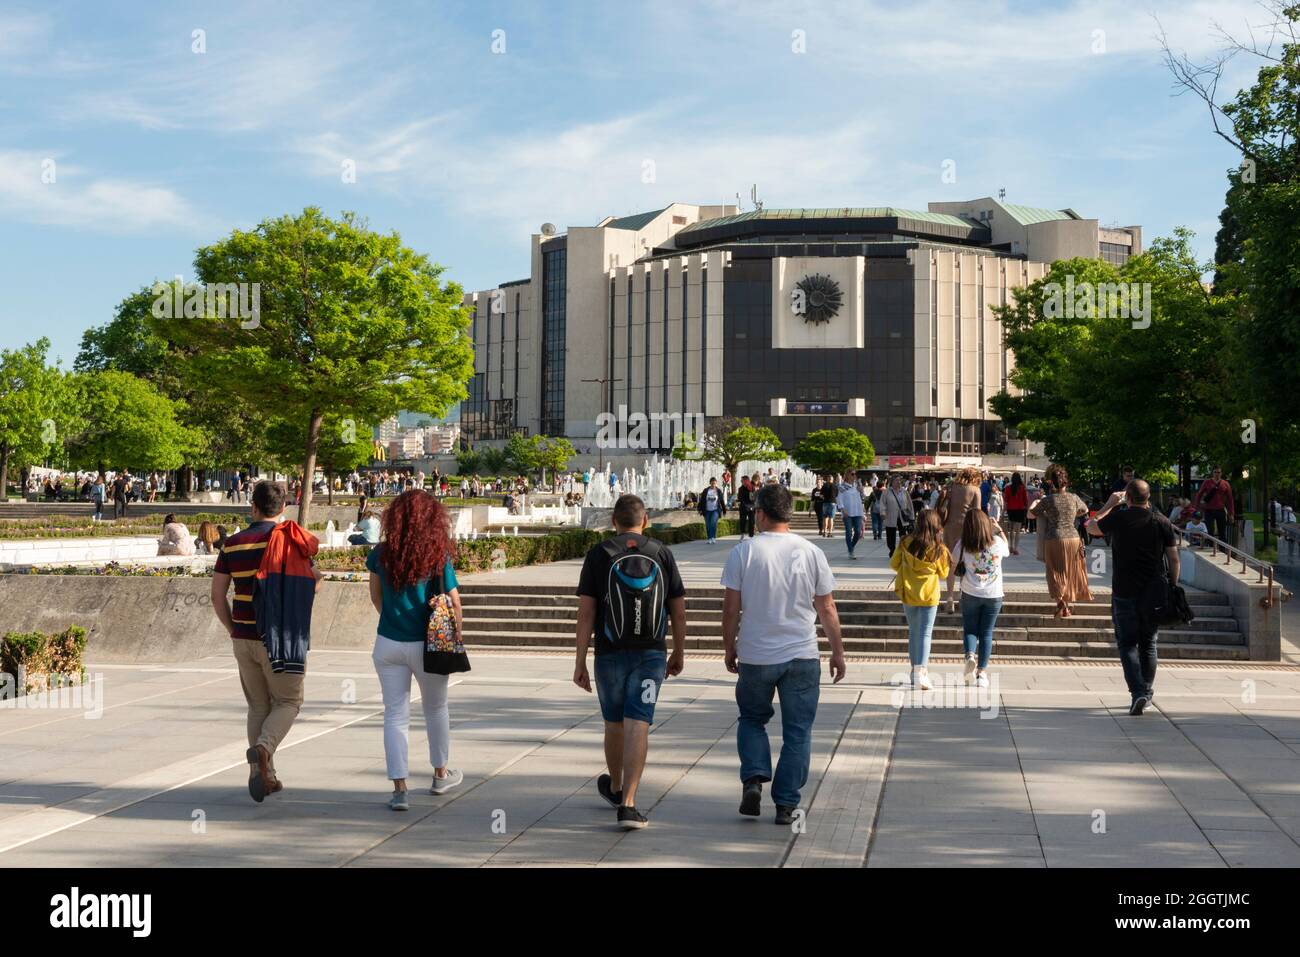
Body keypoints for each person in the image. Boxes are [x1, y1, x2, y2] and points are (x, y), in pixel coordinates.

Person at [721, 483, 846, 825]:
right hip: (802, 655)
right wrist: (837, 652)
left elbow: (731, 609)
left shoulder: (744, 552)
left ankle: (754, 778)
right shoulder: (811, 552)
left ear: (760, 513)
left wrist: (728, 646)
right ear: (789, 513)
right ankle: (787, 804)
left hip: (756, 655)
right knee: (798, 731)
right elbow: (827, 607)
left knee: (751, 719)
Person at [574, 494, 687, 830]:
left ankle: (616, 785)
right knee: (639, 721)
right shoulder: (661, 553)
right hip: (651, 653)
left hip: (608, 653)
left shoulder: (599, 553)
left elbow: (586, 613)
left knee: (614, 722)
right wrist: (678, 651)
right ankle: (629, 804)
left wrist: (579, 661)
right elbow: (678, 610)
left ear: (613, 521)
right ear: (646, 519)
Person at [211, 481, 314, 802]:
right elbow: (311, 585)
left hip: (243, 637)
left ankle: (264, 776)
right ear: (283, 508)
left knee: (257, 705)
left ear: (252, 507)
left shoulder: (233, 544)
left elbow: (217, 595)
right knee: (288, 703)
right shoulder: (292, 542)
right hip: (281, 639)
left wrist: (232, 628)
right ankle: (264, 749)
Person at [366, 489, 464, 810]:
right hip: (429, 645)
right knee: (436, 709)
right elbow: (453, 601)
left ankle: (400, 790)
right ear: (432, 518)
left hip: (389, 643)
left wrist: (395, 622)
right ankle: (440, 774)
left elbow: (376, 597)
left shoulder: (381, 553)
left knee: (395, 714)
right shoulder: (437, 553)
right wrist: (455, 635)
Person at [1088, 480, 1180, 715]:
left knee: (1127, 643)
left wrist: (1108, 505)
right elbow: (1174, 559)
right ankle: (1146, 692)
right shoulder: (1162, 521)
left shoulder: (1119, 518)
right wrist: (1173, 585)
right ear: (1148, 497)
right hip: (1154, 590)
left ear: (1127, 497)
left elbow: (1091, 527)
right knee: (1149, 642)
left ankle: (1138, 692)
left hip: (1124, 589)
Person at [890, 508, 950, 690]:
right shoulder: (939, 548)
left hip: (908, 593)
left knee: (914, 632)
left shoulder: (905, 542)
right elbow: (944, 573)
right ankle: (921, 672)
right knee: (925, 633)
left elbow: (894, 564)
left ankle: (913, 671)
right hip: (929, 595)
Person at [948, 509, 1009, 688]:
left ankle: (969, 656)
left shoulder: (962, 545)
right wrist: (999, 529)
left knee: (970, 629)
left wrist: (950, 594)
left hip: (969, 592)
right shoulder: (997, 542)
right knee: (987, 632)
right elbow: (1007, 549)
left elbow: (952, 564)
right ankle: (982, 673)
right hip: (993, 594)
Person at [1029, 464, 1093, 617]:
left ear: (1052, 482)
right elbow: (1085, 510)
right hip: (1073, 538)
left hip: (1054, 538)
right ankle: (1066, 606)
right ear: (1066, 482)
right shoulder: (1074, 497)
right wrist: (1072, 515)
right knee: (1070, 572)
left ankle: (1061, 603)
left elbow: (1034, 513)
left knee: (1054, 572)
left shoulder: (1048, 500)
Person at [938, 468, 982, 611]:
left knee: (950, 563)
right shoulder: (975, 490)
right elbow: (977, 513)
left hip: (949, 528)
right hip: (966, 529)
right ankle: (962, 596)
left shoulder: (951, 487)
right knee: (965, 563)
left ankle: (949, 597)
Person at [1192, 467, 1235, 542]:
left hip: (1220, 510)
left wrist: (1231, 514)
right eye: (1215, 472)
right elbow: (1199, 495)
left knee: (1222, 533)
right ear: (1212, 473)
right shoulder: (1207, 482)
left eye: (1219, 472)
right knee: (1210, 531)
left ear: (1221, 473)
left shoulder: (1225, 484)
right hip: (1209, 510)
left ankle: (1223, 551)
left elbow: (1230, 499)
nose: (1217, 474)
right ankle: (1211, 549)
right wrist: (1196, 508)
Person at [882, 475, 915, 557]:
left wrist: (912, 515)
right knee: (890, 535)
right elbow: (882, 503)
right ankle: (892, 550)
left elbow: (909, 503)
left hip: (902, 517)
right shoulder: (886, 492)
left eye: (900, 480)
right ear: (892, 482)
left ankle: (903, 550)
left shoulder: (904, 491)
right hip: (890, 516)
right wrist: (882, 512)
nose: (899, 482)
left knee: (903, 535)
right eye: (897, 480)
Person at [836, 472, 865, 559]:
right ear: (847, 475)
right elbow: (839, 498)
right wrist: (842, 508)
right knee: (849, 532)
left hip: (857, 512)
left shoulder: (857, 485)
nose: (854, 475)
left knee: (858, 532)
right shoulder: (842, 486)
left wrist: (861, 490)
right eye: (852, 474)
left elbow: (863, 497)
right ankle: (851, 551)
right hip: (847, 512)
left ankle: (850, 547)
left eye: (855, 474)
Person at [1003, 472, 1028, 555]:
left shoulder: (1007, 488)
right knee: (1017, 531)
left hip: (1011, 510)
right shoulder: (1022, 488)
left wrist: (1004, 511)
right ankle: (1016, 548)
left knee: (1011, 530)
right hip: (1020, 510)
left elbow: (1006, 501)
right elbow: (1025, 500)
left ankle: (1011, 546)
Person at [697, 477, 726, 544]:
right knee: (708, 525)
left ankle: (713, 537)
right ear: (710, 483)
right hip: (707, 510)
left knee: (713, 523)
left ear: (716, 483)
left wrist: (724, 510)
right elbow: (702, 500)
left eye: (714, 483)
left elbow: (721, 501)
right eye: (712, 483)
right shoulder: (706, 490)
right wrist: (699, 509)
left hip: (715, 510)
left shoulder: (718, 491)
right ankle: (709, 538)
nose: (713, 484)